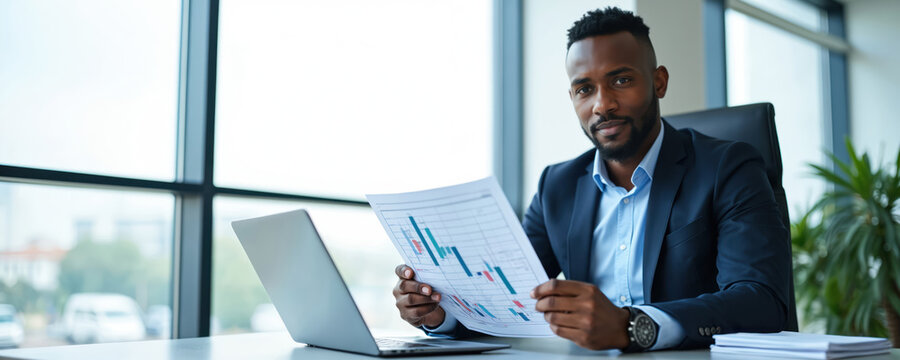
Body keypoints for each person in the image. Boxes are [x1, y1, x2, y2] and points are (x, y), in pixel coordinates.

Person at [391, 7, 792, 351]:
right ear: (573, 99)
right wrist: (440, 314)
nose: (603, 105)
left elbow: (760, 301)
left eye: (621, 80)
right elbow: (507, 301)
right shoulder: (557, 186)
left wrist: (632, 326)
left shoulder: (728, 167)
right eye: (585, 89)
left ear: (659, 82)